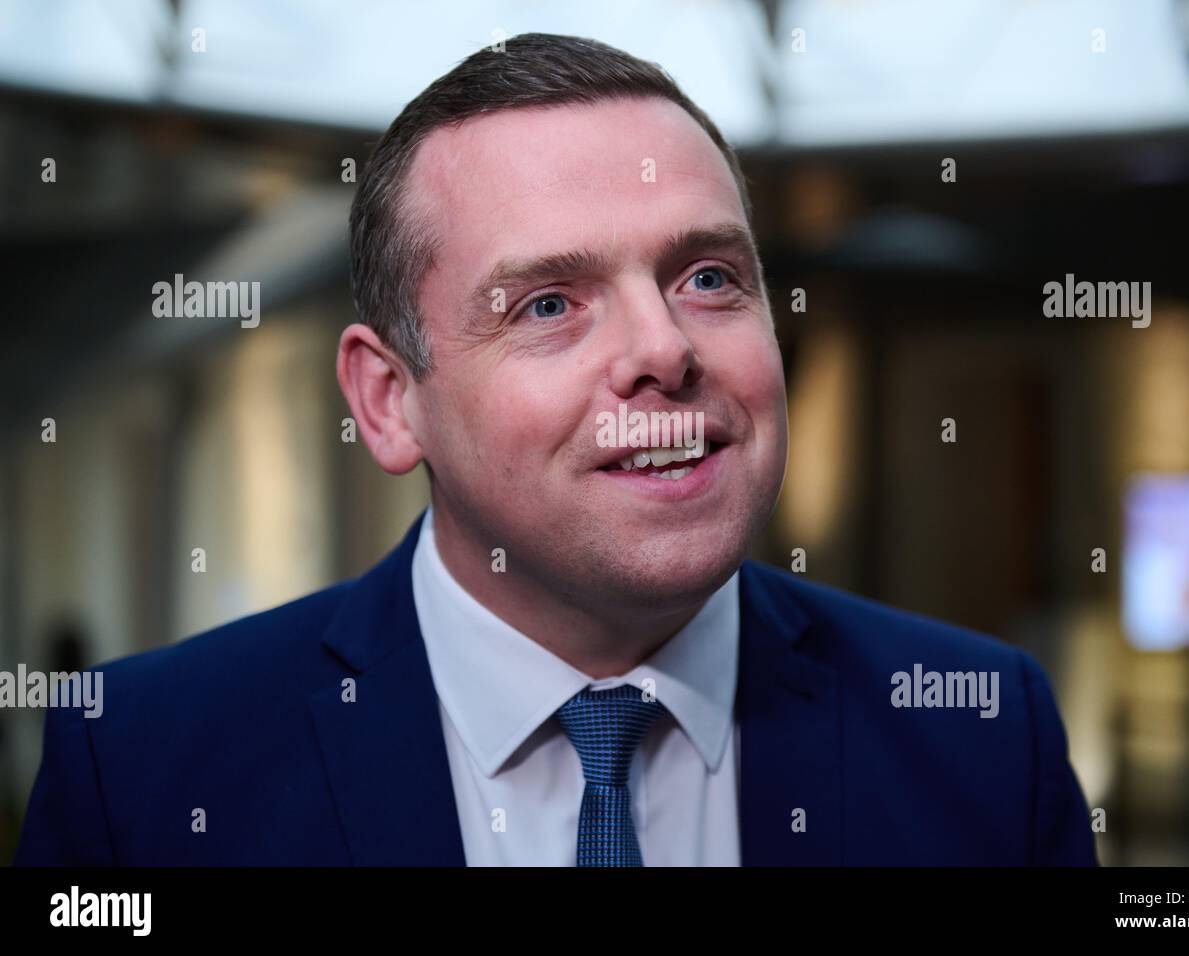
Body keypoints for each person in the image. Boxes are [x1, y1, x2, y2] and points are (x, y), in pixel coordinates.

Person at [14, 33, 1096, 866]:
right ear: (390, 401)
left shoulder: (982, 739)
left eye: (708, 278)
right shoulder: (145, 774)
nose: (664, 350)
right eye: (546, 303)